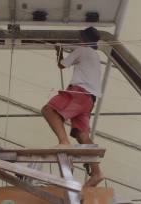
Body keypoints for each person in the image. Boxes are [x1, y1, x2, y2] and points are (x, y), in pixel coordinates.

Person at [41, 27, 103, 187]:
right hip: (90, 100)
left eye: (80, 38)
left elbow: (62, 65)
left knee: (48, 110)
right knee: (81, 134)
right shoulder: (95, 56)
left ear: (84, 39)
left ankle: (64, 142)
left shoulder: (82, 49)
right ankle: (96, 173)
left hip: (79, 93)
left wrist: (59, 50)